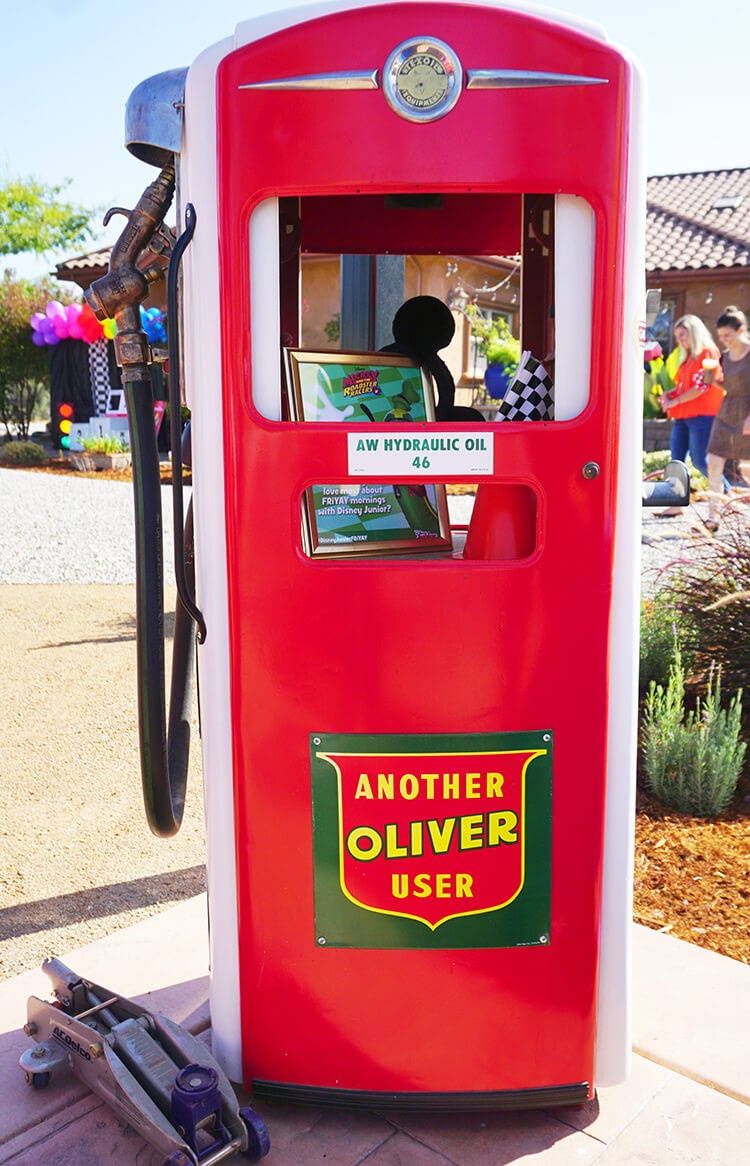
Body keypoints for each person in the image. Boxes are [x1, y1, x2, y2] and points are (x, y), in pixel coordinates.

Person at [658, 315, 724, 484]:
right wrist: (670, 394)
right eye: (678, 336)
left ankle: (726, 496)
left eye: (683, 335)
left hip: (702, 416)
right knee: (677, 462)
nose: (680, 340)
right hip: (682, 416)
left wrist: (676, 401)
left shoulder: (708, 353)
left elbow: (703, 386)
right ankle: (676, 502)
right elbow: (683, 386)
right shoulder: (687, 358)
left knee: (699, 461)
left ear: (695, 332)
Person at [705, 306, 750, 529]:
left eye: (728, 335)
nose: (723, 340)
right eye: (720, 336)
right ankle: (713, 517)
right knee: (714, 462)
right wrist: (711, 379)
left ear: (741, 330)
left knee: (747, 468)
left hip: (747, 413)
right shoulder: (724, 357)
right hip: (726, 412)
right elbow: (728, 387)